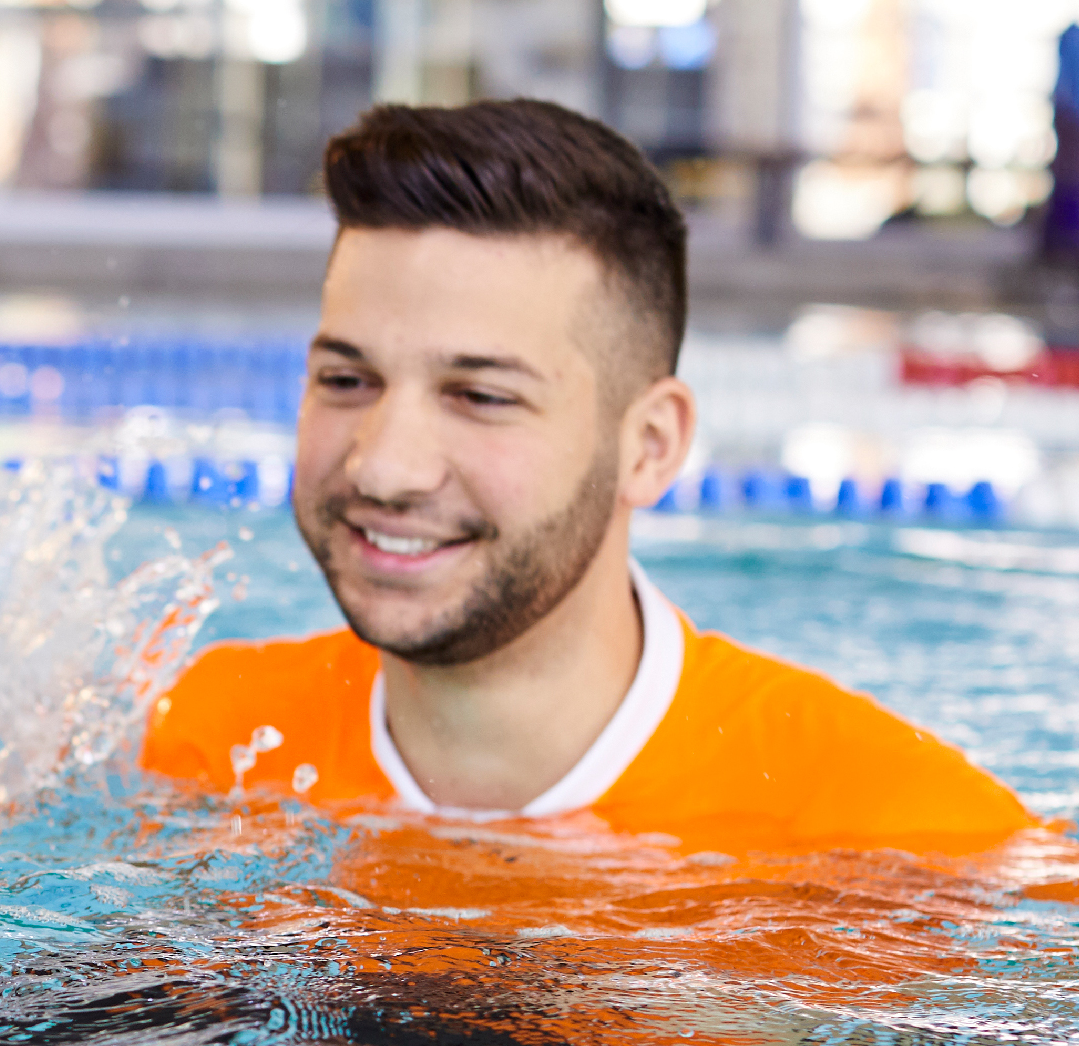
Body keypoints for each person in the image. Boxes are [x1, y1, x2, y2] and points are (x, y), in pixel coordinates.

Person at [142, 97, 1034, 853]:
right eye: (346, 380)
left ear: (649, 446)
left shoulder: (901, 839)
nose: (383, 465)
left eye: (480, 396)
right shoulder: (205, 745)